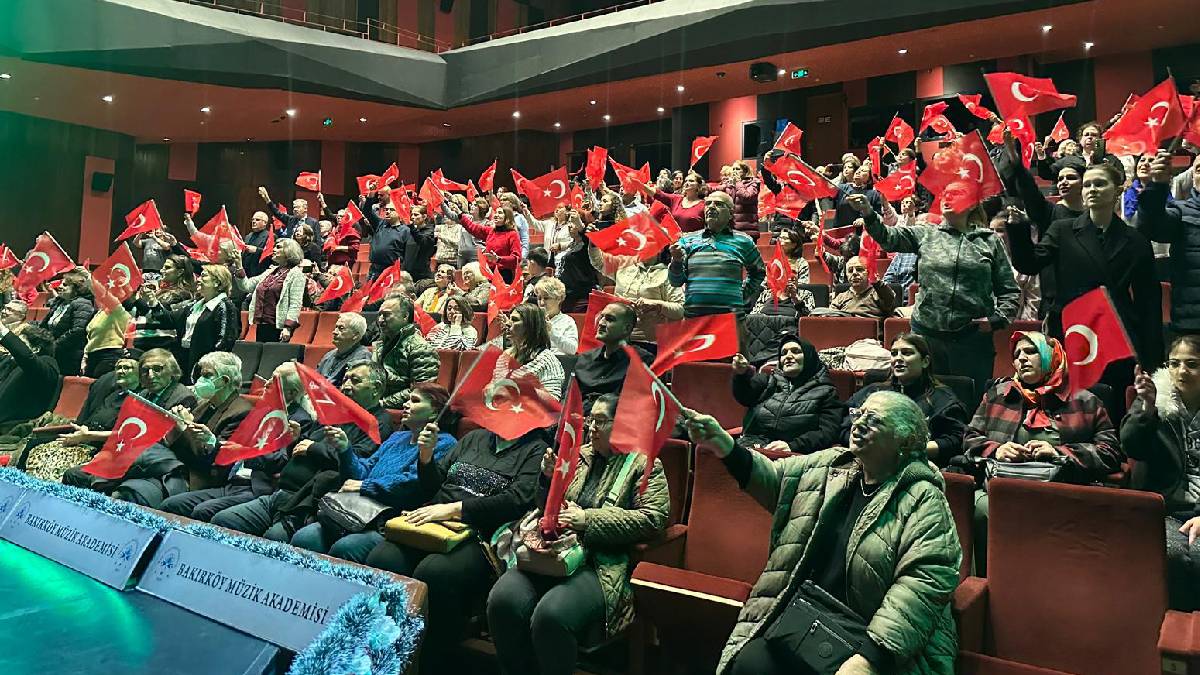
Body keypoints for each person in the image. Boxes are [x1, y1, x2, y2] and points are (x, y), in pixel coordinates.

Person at [685, 390, 960, 675]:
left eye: (875, 420)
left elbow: (922, 583)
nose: (860, 423)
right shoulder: (832, 464)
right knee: (747, 664)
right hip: (809, 622)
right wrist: (725, 446)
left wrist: (870, 657)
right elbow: (776, 481)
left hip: (879, 642)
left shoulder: (923, 498)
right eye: (859, 414)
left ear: (903, 439)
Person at [487, 393, 670, 675]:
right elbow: (546, 506)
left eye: (600, 421)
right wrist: (548, 480)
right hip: (553, 551)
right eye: (590, 421)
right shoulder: (578, 456)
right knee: (503, 600)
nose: (592, 428)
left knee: (551, 616)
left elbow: (653, 519)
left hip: (600, 562)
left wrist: (588, 520)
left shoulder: (643, 465)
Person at [365, 422, 548, 673]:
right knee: (383, 558)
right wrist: (426, 458)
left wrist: (456, 509)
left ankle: (430, 660)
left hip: (481, 533)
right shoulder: (475, 438)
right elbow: (433, 485)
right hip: (433, 522)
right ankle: (382, 654)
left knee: (434, 573)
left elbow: (518, 500)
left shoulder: (536, 449)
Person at [965, 331, 1122, 571]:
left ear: (1052, 356)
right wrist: (997, 449)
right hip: (1003, 488)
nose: (1021, 359)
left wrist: (1059, 452)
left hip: (1061, 491)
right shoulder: (997, 395)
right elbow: (970, 438)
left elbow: (1110, 452)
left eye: (1030, 352)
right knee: (978, 508)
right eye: (1017, 355)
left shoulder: (1085, 400)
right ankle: (988, 584)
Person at [1006, 162, 1164, 386]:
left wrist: (1152, 359)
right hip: (1072, 330)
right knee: (1071, 402)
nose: (1092, 189)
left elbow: (1148, 303)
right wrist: (1018, 230)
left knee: (1114, 400)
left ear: (1117, 190)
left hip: (1117, 331)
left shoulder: (1136, 241)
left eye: (1100, 184)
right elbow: (1029, 264)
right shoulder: (1062, 230)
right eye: (1088, 184)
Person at [856, 189, 1020, 399]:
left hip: (971, 341)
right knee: (925, 400)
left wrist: (995, 320)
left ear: (971, 204)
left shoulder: (989, 241)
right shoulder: (927, 233)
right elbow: (888, 237)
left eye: (956, 194)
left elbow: (1010, 291)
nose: (947, 198)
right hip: (927, 337)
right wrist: (868, 212)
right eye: (945, 195)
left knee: (970, 402)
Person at [209, 361, 394, 539]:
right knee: (222, 520)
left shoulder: (377, 424)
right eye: (345, 379)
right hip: (281, 494)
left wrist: (313, 448)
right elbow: (300, 450)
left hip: (306, 504)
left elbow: (355, 464)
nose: (345, 385)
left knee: (274, 538)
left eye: (355, 380)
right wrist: (296, 440)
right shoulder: (335, 413)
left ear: (376, 388)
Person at [290, 382, 458, 562]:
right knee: (304, 538)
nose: (405, 404)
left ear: (434, 412)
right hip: (356, 509)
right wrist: (345, 448)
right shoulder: (397, 437)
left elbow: (414, 483)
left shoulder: (445, 443)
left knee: (345, 548)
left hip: (388, 518)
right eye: (407, 399)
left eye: (415, 401)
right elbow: (363, 470)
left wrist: (366, 485)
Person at [61, 348, 198, 506]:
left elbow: (156, 439)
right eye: (145, 371)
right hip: (129, 457)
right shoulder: (144, 394)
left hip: (158, 466)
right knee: (74, 475)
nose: (151, 375)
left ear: (172, 371)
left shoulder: (182, 397)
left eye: (158, 369)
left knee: (116, 491)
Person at [1123, 336, 1200, 610]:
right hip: (1165, 507)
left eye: (1192, 364)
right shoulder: (1156, 400)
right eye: (1175, 363)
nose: (1181, 371)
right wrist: (1148, 408)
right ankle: (1177, 637)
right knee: (1174, 556)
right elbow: (1131, 445)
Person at [840, 333, 969, 466]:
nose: (898, 359)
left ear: (925, 361)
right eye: (894, 353)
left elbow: (955, 441)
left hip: (918, 464)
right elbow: (844, 427)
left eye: (907, 353)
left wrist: (904, 451)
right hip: (866, 462)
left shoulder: (943, 399)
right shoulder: (872, 392)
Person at [18, 355, 141, 482]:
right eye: (118, 368)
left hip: (101, 445)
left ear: (138, 371)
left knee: (51, 458)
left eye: (127, 368)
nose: (121, 371)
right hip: (82, 436)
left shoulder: (140, 400)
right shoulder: (114, 394)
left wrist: (86, 436)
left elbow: (125, 434)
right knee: (32, 445)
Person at [730, 335, 845, 454]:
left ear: (809, 357)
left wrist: (793, 446)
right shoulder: (768, 381)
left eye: (796, 351)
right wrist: (741, 375)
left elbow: (828, 432)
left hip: (792, 455)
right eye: (784, 353)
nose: (788, 356)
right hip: (753, 447)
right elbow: (744, 396)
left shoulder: (826, 391)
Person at [668, 191, 766, 322]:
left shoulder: (744, 241)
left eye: (719, 204)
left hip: (731, 321)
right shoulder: (687, 240)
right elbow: (675, 281)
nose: (711, 207)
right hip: (695, 321)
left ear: (731, 213)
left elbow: (758, 272)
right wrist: (676, 261)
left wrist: (740, 294)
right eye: (708, 203)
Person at [1139, 151, 1200, 339]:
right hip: (1192, 325)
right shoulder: (1181, 212)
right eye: (1199, 169)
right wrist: (1157, 186)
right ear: (1193, 178)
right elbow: (1152, 226)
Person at [163, 264, 239, 380]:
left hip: (205, 364)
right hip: (184, 357)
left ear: (217, 283)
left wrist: (208, 364)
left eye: (203, 276)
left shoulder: (225, 306)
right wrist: (152, 302)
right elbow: (170, 318)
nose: (198, 280)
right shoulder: (195, 305)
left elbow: (225, 340)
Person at [230, 237, 307, 343]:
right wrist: (239, 265)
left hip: (279, 328)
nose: (274, 250)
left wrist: (288, 327)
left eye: (278, 247)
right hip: (262, 324)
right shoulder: (271, 271)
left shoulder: (296, 274)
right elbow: (246, 286)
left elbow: (295, 304)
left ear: (289, 251)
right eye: (274, 247)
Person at [574, 302, 649, 408]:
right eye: (601, 317)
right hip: (577, 420)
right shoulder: (583, 359)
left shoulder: (642, 362)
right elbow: (568, 400)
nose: (601, 323)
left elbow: (636, 406)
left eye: (609, 319)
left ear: (627, 328)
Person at [373, 296, 440, 409]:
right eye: (379, 314)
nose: (380, 320)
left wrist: (382, 403)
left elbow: (421, 390)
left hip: (399, 410)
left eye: (386, 315)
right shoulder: (380, 344)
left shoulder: (420, 348)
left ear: (405, 316)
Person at [606, 246, 684, 343]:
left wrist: (657, 305)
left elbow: (680, 310)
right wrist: (593, 244)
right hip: (616, 337)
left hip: (647, 341)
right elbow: (599, 261)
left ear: (660, 249)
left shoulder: (667, 274)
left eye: (648, 245)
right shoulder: (624, 266)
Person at [494, 304, 565, 400]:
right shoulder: (505, 357)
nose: (507, 323)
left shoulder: (547, 360)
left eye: (514, 320)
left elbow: (553, 400)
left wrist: (524, 389)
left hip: (529, 413)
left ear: (530, 326)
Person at [0, 322, 59, 433]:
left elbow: (26, 357)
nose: (13, 347)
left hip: (11, 427)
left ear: (36, 348)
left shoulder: (47, 364)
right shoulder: (9, 361)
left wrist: (2, 330)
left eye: (20, 342)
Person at [448, 199, 522, 283]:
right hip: (488, 272)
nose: (496, 215)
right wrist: (459, 212)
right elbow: (472, 227)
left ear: (507, 217)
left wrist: (498, 259)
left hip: (504, 274)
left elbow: (516, 258)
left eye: (500, 213)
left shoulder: (512, 234)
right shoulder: (490, 231)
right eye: (496, 213)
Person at [40, 267, 96, 376]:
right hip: (53, 351)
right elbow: (46, 324)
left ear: (76, 289)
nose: (60, 287)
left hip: (69, 355)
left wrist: (54, 345)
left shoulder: (83, 304)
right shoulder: (60, 302)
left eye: (65, 285)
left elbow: (77, 331)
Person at [751, 227, 815, 315]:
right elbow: (766, 282)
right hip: (775, 295)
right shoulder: (775, 262)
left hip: (792, 295)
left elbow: (803, 284)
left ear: (794, 244)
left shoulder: (801, 262)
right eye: (780, 238)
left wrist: (788, 287)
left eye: (785, 238)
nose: (780, 241)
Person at [360, 195, 414, 281]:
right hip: (374, 269)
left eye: (391, 210)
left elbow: (407, 254)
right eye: (386, 209)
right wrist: (370, 196)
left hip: (391, 270)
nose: (387, 212)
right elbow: (367, 211)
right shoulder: (380, 223)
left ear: (399, 212)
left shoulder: (406, 230)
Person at [822, 257, 896, 318]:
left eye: (859, 269)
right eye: (850, 271)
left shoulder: (879, 293)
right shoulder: (840, 298)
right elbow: (830, 320)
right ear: (846, 275)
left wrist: (877, 282)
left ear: (869, 273)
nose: (854, 273)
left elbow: (889, 298)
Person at [315, 312, 371, 386]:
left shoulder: (362, 357)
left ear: (356, 335)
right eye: (336, 327)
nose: (334, 332)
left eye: (341, 328)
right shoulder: (329, 355)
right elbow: (313, 379)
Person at [82, 300, 130, 379]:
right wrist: (85, 357)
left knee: (101, 387)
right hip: (93, 355)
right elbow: (90, 337)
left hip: (110, 354)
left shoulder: (117, 309)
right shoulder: (99, 312)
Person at [533, 277, 579, 356]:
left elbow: (572, 350)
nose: (542, 303)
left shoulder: (567, 321)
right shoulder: (533, 319)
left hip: (559, 362)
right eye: (539, 298)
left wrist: (552, 332)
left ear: (559, 299)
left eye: (546, 298)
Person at [721, 160, 761, 232]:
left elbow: (747, 197)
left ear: (745, 171)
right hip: (731, 228)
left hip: (747, 228)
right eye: (733, 169)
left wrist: (738, 182)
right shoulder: (730, 184)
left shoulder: (753, 183)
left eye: (737, 169)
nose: (735, 171)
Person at [239, 211, 274, 278]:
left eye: (257, 220)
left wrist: (257, 250)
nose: (254, 221)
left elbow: (272, 254)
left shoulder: (270, 236)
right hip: (245, 273)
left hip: (259, 273)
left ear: (265, 223)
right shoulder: (248, 236)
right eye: (253, 219)